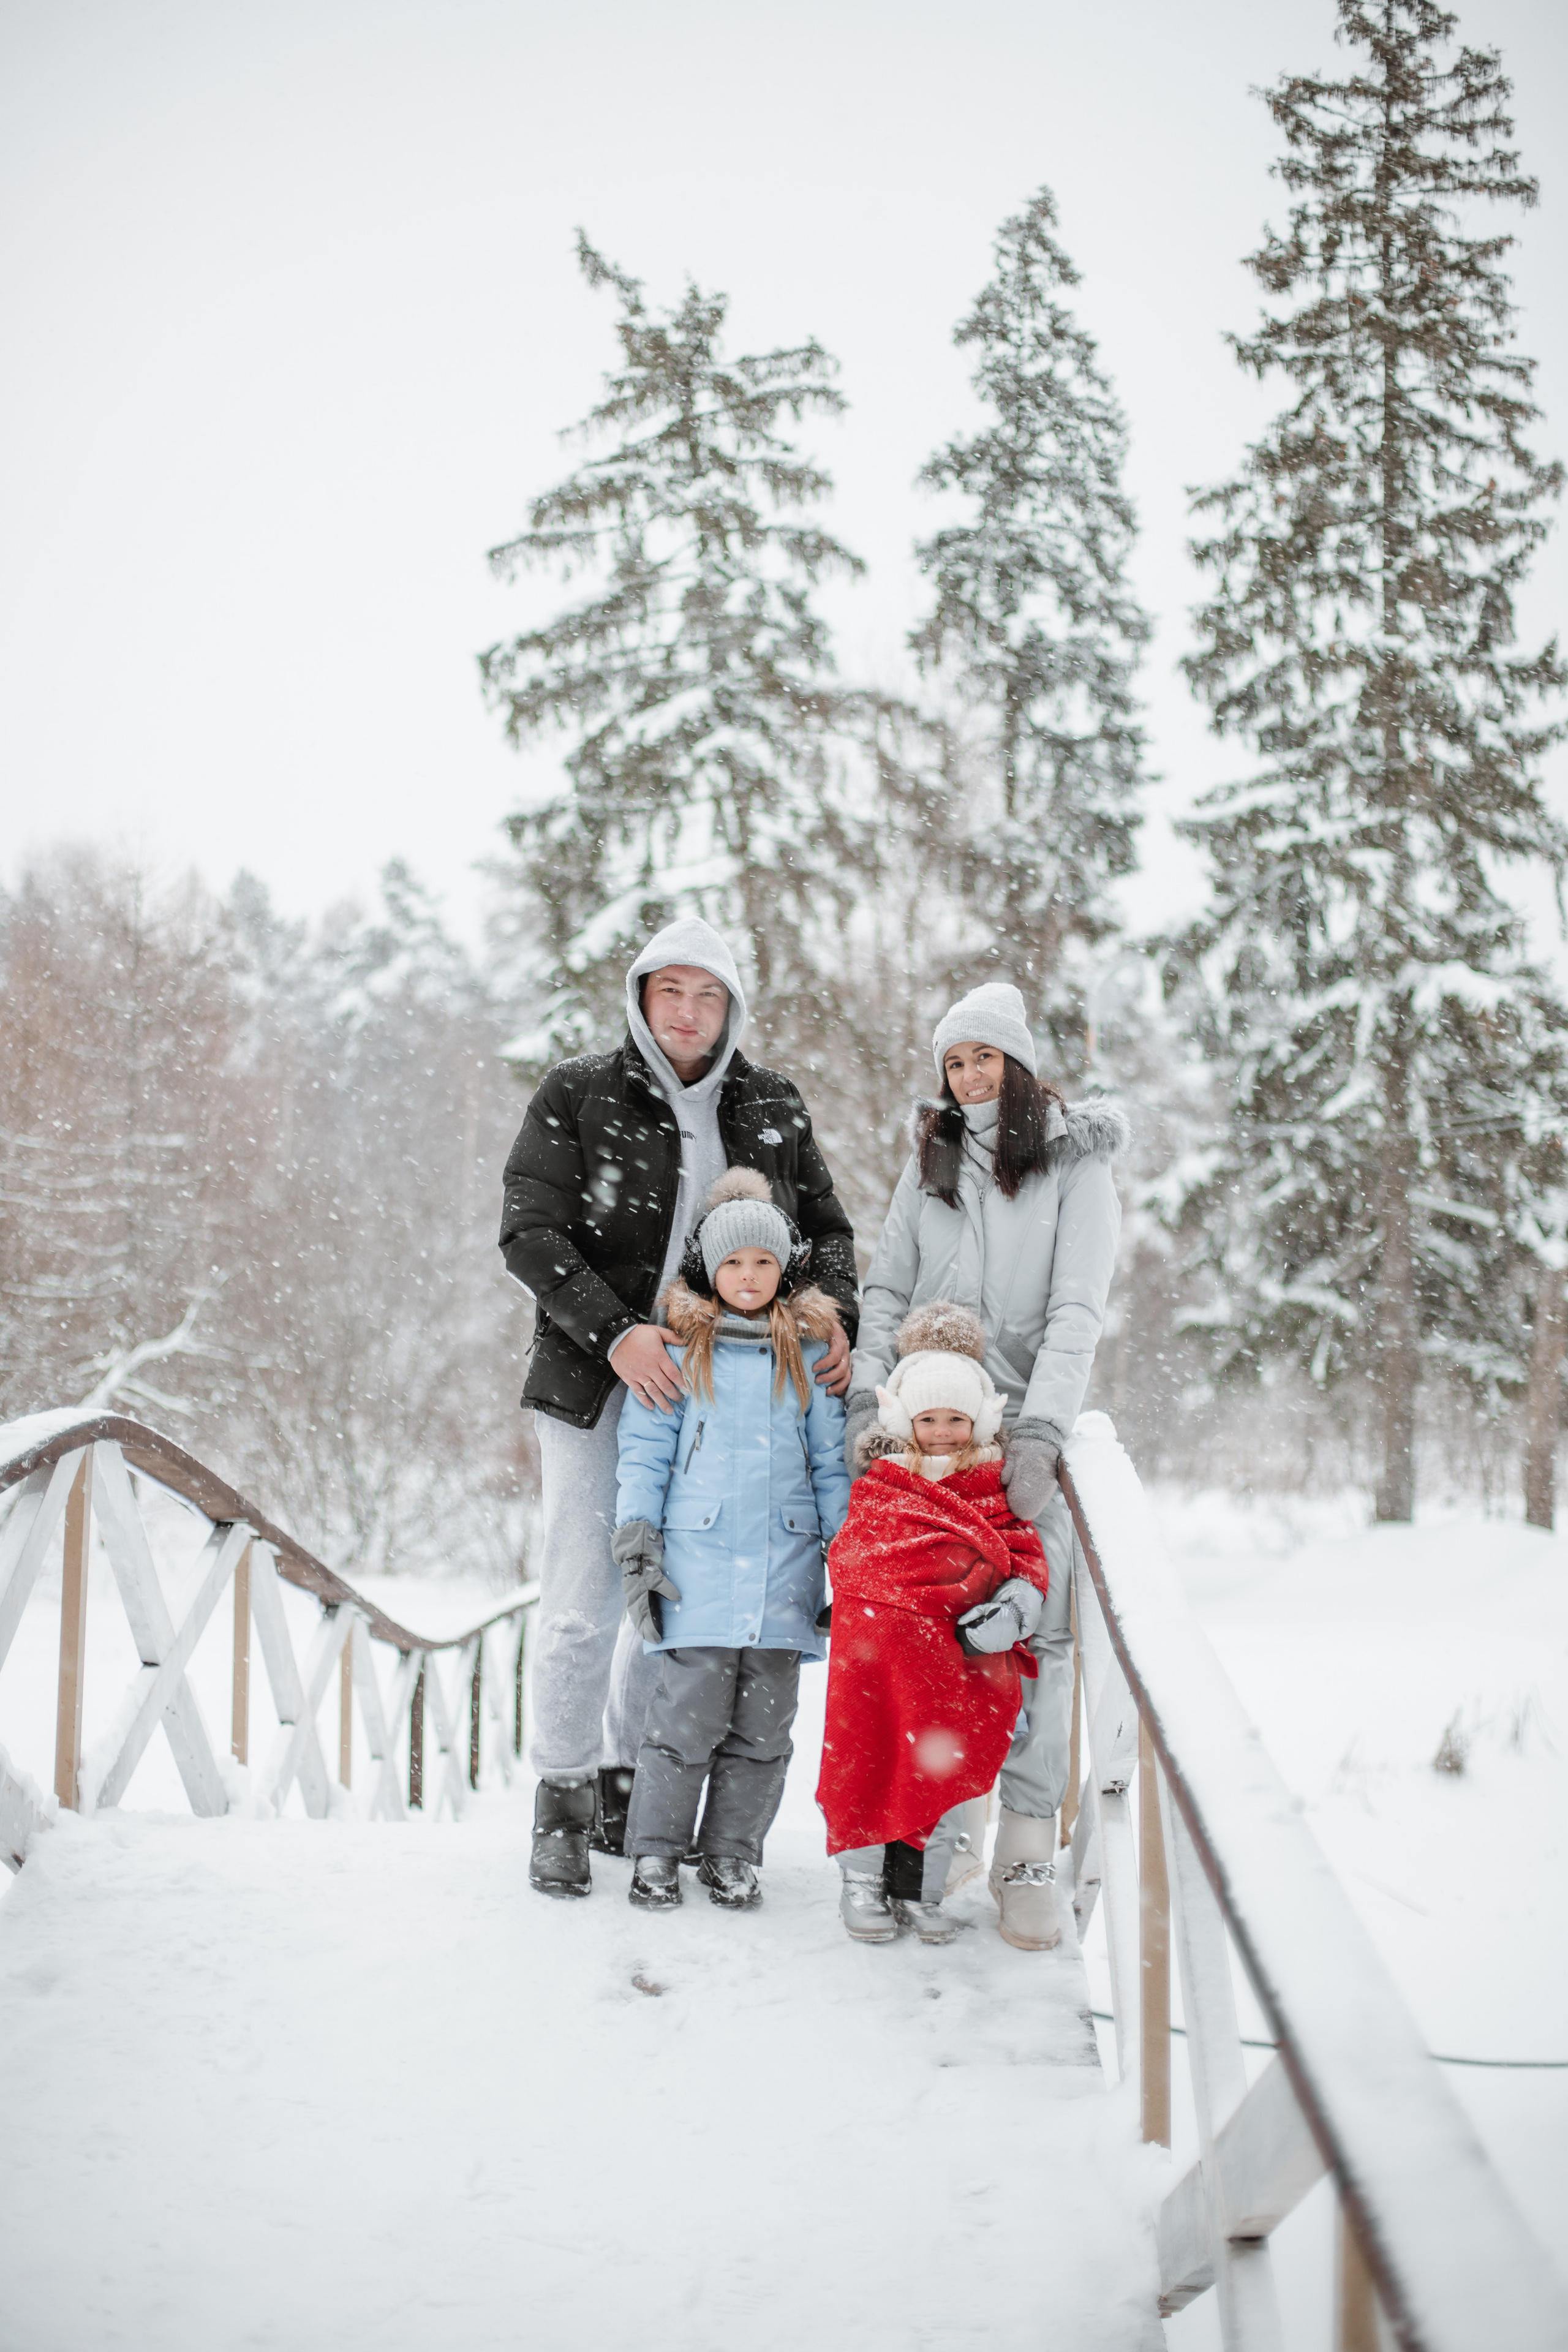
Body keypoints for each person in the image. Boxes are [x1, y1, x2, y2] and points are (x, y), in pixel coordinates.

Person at [499, 916, 858, 1899]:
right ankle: (563, 1801)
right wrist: (618, 1330)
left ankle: (628, 1783)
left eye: (709, 996)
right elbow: (530, 1231)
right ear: (641, 998)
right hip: (597, 1377)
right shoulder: (580, 1092)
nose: (689, 1013)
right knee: (584, 1595)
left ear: (732, 1008)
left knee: (680, 1596)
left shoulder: (771, 1104)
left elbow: (827, 1234)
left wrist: (835, 1317)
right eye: (671, 992)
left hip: (730, 1385)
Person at [845, 981, 1126, 1951]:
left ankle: (1026, 1852)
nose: (969, 1078)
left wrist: (1039, 1432)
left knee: (1037, 1631)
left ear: (1020, 1064)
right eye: (955, 1062)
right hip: (922, 1426)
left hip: (1019, 1427)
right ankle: (939, 1828)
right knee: (923, 1628)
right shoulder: (929, 1159)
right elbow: (886, 1289)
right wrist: (868, 1403)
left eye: (985, 1058)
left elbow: (1077, 1312)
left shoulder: (1076, 1165)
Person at [611, 1170, 851, 1910]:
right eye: (734, 1263)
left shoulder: (808, 1355)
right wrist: (638, 1538)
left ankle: (730, 1854)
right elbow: (644, 1454)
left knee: (763, 1732)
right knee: (683, 1723)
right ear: (709, 1270)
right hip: (698, 1570)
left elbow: (831, 1463)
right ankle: (656, 1851)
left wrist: (848, 1555)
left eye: (763, 1262)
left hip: (786, 1569)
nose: (748, 1276)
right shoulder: (679, 1352)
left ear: (784, 1270)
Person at [817, 1305, 1050, 1944]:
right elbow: (854, 1555)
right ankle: (862, 1882)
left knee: (939, 1767)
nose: (942, 1433)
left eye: (956, 1419)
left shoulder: (991, 1486)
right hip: (880, 1658)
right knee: (869, 1758)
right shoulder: (885, 1483)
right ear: (904, 1421)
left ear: (978, 1422)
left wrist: (1014, 1606)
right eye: (928, 1419)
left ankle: (918, 1889)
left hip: (956, 1657)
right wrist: (885, 1602)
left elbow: (1024, 1555)